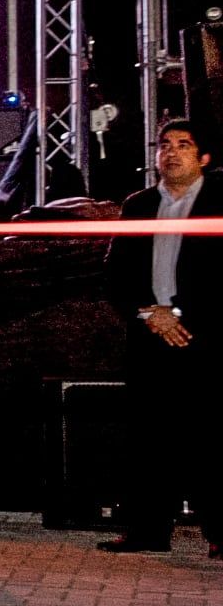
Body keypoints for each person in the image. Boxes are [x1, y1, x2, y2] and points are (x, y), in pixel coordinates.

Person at [99, 120, 221, 557]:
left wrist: (183, 315)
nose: (171, 153)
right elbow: (117, 273)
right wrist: (152, 313)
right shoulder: (139, 205)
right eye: (164, 145)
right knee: (149, 437)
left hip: (205, 338)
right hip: (151, 334)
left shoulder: (220, 200)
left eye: (184, 145)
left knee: (211, 435)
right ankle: (148, 531)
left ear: (203, 157)